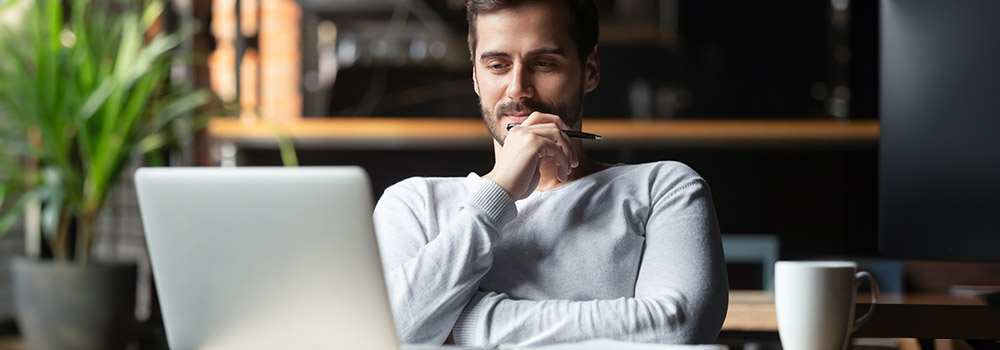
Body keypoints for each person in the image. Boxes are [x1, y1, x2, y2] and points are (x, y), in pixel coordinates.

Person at [372, 0, 728, 347]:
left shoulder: (664, 189)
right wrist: (498, 192)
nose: (517, 90)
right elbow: (383, 333)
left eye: (543, 64)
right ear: (476, 78)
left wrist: (465, 323)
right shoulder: (414, 203)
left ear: (590, 70)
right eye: (497, 65)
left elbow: (679, 327)